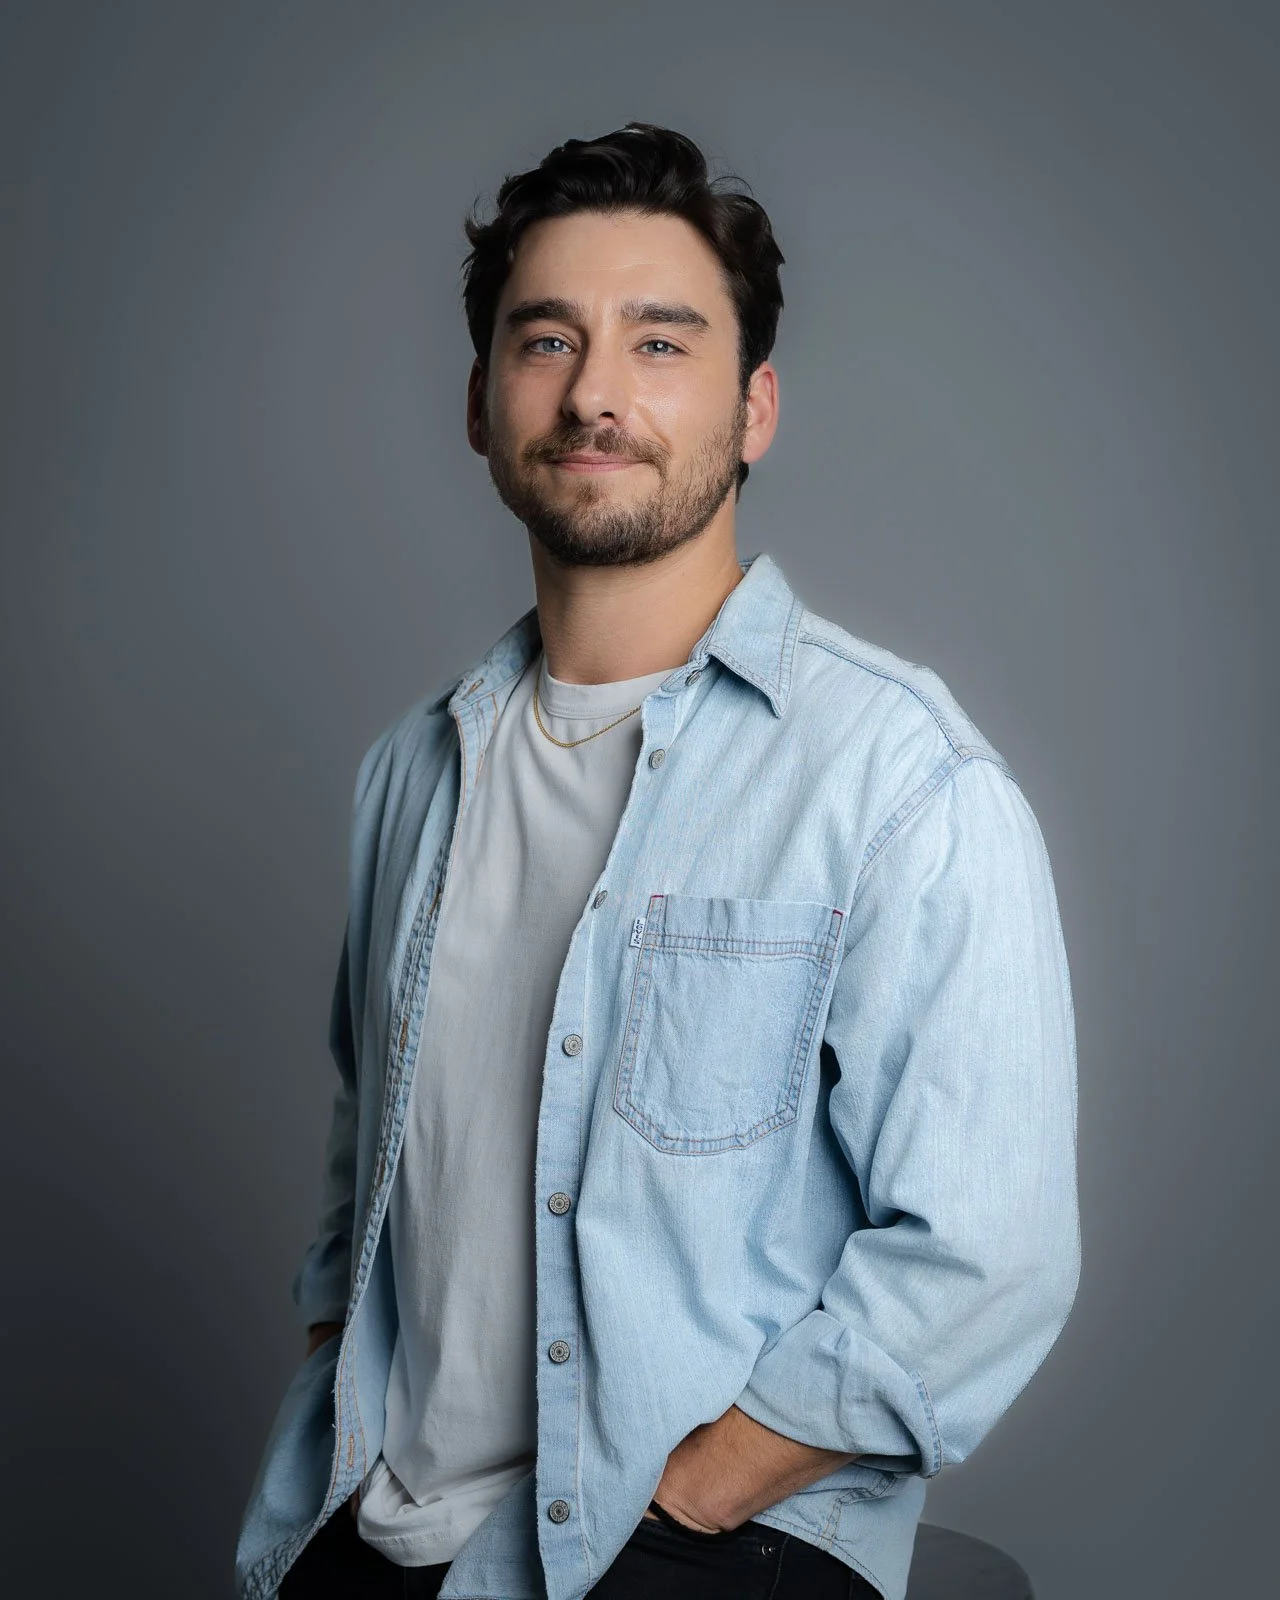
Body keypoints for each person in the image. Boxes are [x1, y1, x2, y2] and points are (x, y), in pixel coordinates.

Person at [235, 122, 1080, 1600]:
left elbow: (985, 1260)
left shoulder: (899, 783)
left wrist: (690, 1495)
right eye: (546, 340)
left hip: (684, 1550)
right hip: (369, 1535)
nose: (597, 393)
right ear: (482, 404)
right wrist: (333, 1373)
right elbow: (364, 1147)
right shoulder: (405, 776)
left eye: (661, 343)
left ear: (755, 410)